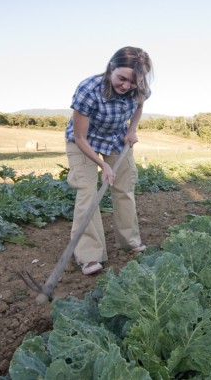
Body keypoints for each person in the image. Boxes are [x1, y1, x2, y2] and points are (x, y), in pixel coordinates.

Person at [65, 46, 153, 275]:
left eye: (132, 83)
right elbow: (80, 137)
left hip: (115, 138)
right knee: (87, 191)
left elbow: (140, 105)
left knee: (124, 187)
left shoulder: (140, 88)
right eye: (122, 78)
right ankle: (89, 255)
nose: (126, 86)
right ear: (111, 68)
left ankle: (129, 241)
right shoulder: (89, 89)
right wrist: (103, 165)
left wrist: (132, 129)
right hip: (83, 141)